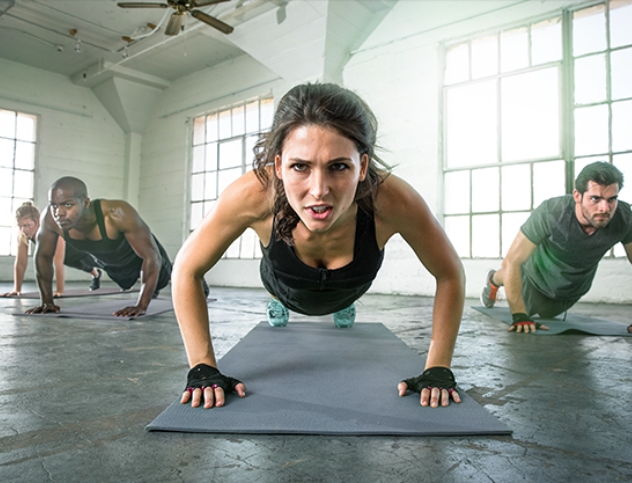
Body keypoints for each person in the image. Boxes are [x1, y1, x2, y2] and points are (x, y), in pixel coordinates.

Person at [172, 82, 466, 410]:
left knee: (340, 298)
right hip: (282, 284)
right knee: (278, 286)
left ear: (363, 167)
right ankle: (277, 303)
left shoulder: (393, 200)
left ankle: (342, 305)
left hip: (350, 287)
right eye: (300, 166)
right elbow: (187, 269)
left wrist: (439, 365)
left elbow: (449, 273)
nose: (319, 190)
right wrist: (202, 365)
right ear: (280, 165)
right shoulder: (252, 195)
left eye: (339, 166)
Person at [480, 161, 632, 337]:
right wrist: (519, 316)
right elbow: (513, 261)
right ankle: (493, 279)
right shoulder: (551, 212)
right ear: (577, 196)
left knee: (547, 314)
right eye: (595, 198)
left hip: (569, 293)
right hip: (532, 280)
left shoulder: (623, 219)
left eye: (612, 199)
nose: (605, 208)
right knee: (511, 273)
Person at [25, 177, 175, 317]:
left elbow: (151, 257)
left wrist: (141, 305)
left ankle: (176, 273)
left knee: (164, 278)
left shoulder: (116, 213)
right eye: (54, 205)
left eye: (68, 204)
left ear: (86, 203)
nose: (59, 212)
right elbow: (43, 257)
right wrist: (47, 302)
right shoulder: (50, 219)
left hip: (144, 259)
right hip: (111, 265)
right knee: (74, 259)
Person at [1, 201, 101, 297]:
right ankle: (96, 275)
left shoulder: (52, 231)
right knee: (79, 265)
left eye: (27, 225)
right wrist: (17, 290)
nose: (24, 230)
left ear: (38, 221)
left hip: (80, 249)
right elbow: (21, 263)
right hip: (66, 257)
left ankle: (97, 272)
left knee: (103, 264)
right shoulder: (22, 236)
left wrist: (59, 291)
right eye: (20, 226)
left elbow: (58, 263)